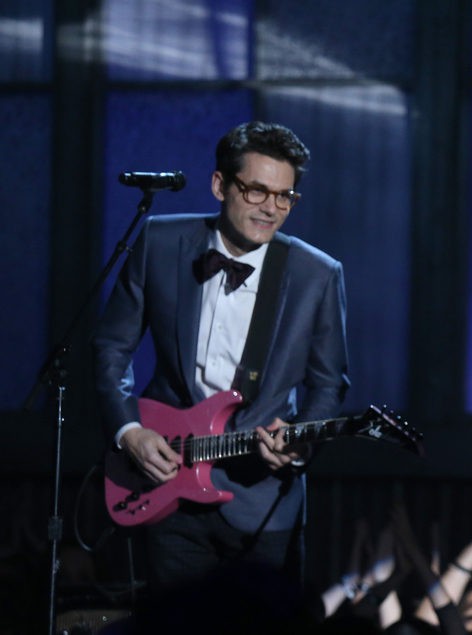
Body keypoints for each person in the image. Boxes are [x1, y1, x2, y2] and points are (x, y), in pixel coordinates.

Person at [93, 121, 350, 591]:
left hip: (262, 502)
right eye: (256, 191)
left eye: (284, 197)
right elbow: (112, 346)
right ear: (219, 185)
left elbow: (329, 384)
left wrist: (298, 441)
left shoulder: (318, 275)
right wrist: (129, 431)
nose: (271, 208)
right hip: (165, 484)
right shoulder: (159, 242)